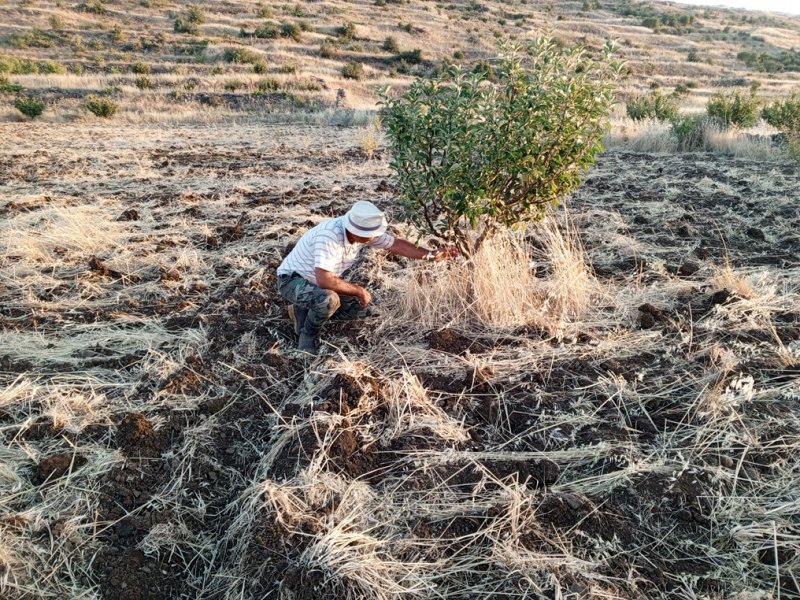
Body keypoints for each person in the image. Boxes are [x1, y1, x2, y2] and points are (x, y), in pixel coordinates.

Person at [277, 200, 455, 354]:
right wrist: (358, 290)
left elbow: (396, 245)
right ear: (356, 232)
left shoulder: (362, 232)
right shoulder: (330, 236)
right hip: (292, 280)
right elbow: (325, 280)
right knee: (328, 301)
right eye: (372, 235)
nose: (376, 237)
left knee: (360, 309)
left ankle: (303, 309)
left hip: (316, 283)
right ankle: (307, 333)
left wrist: (430, 255)